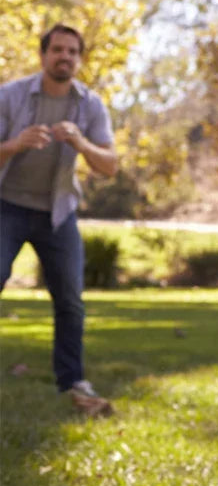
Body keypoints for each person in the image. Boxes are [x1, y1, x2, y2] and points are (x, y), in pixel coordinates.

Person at [0, 23, 119, 416]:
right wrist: (15, 144)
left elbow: (110, 166)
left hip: (58, 212)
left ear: (79, 59)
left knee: (70, 299)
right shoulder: (10, 95)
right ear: (43, 56)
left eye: (72, 51)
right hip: (7, 206)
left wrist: (81, 142)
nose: (64, 57)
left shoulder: (91, 105)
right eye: (57, 50)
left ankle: (72, 380)